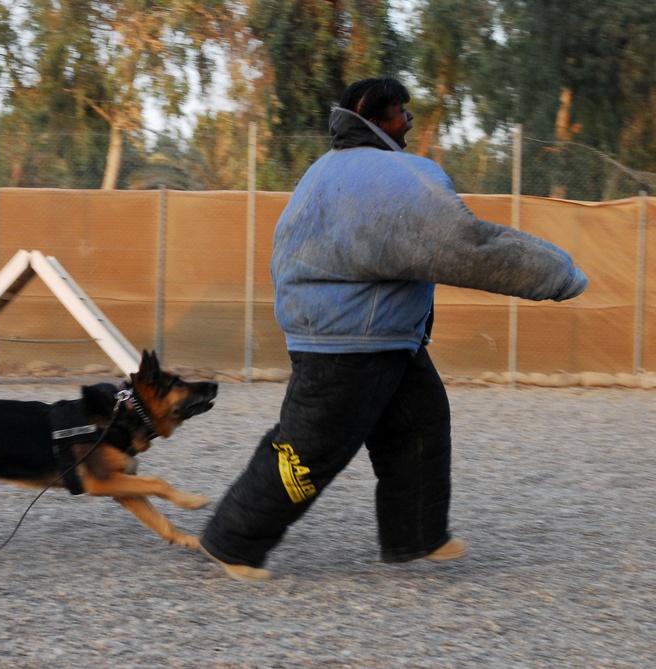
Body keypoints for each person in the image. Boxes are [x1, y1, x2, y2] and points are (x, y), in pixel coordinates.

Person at [199, 76, 589, 581]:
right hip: (350, 342)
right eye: (401, 112)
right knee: (308, 448)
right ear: (371, 114)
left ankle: (417, 537)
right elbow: (467, 244)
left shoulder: (324, 172)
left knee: (420, 425)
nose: (408, 122)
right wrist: (557, 274)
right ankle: (232, 540)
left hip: (376, 335)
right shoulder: (389, 177)